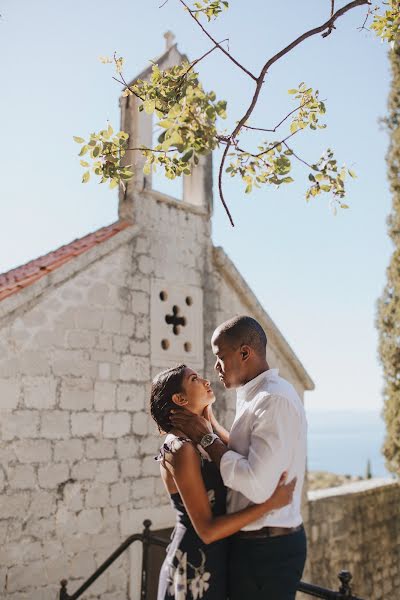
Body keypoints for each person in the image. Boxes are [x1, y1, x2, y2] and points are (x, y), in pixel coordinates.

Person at [170, 316, 308, 600]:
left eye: (220, 357)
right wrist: (207, 426)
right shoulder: (252, 396)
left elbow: (257, 485)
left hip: (267, 551)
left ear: (245, 353)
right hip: (249, 545)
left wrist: (206, 438)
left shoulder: (273, 400)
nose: (215, 367)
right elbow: (238, 452)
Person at [150, 363, 297, 600]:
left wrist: (208, 419)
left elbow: (241, 459)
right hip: (194, 567)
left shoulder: (199, 438)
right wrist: (270, 504)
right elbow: (207, 531)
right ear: (179, 398)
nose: (206, 381)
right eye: (194, 379)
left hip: (217, 561)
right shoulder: (180, 448)